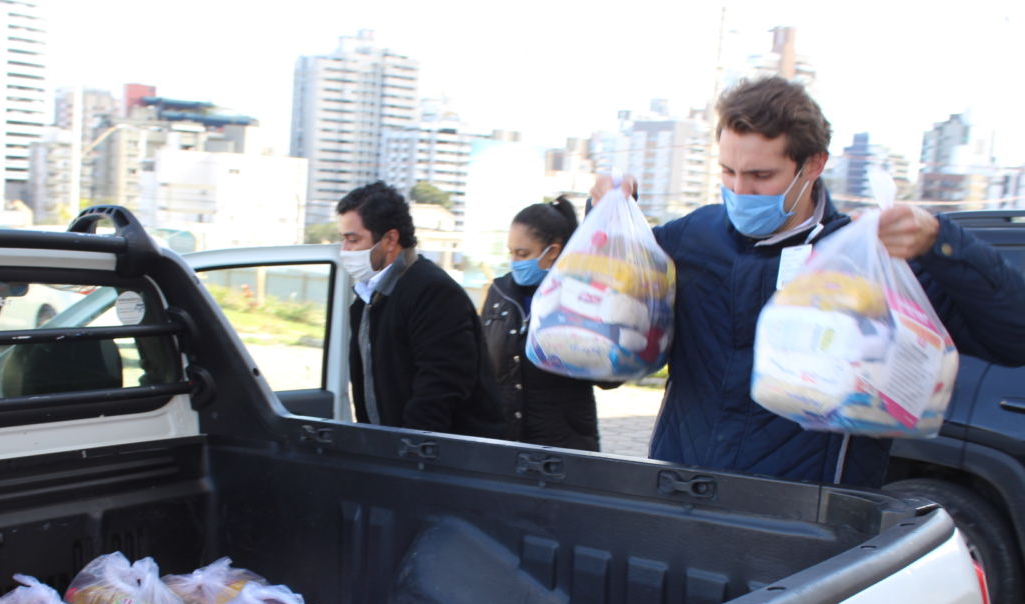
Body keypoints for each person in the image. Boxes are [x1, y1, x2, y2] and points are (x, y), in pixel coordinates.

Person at [590, 76, 1025, 488]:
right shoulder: (690, 237)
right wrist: (607, 221)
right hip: (684, 492)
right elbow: (607, 356)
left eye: (761, 176)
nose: (740, 190)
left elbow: (1013, 337)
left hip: (812, 515)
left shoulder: (871, 260)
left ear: (813, 165)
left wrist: (943, 244)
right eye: (728, 172)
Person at [336, 181, 506, 439]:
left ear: (390, 239)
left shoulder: (434, 293)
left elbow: (440, 388)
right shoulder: (366, 298)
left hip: (442, 459)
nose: (345, 251)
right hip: (394, 452)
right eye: (344, 240)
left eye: (353, 240)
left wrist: (408, 454)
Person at [480, 197, 611, 450]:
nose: (515, 261)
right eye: (512, 253)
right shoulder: (500, 292)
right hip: (505, 443)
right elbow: (483, 367)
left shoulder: (579, 295)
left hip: (564, 449)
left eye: (523, 254)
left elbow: (609, 377)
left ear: (552, 252)